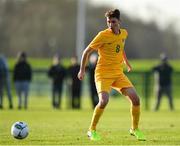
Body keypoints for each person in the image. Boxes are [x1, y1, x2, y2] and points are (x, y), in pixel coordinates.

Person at [78, 9, 146, 141]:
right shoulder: (102, 35)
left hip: (118, 74)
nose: (110, 24)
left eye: (113, 21)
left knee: (136, 99)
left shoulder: (124, 33)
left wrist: (127, 63)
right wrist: (82, 70)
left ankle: (134, 129)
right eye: (108, 22)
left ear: (119, 21)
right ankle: (91, 130)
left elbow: (120, 49)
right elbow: (86, 52)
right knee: (103, 101)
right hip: (102, 74)